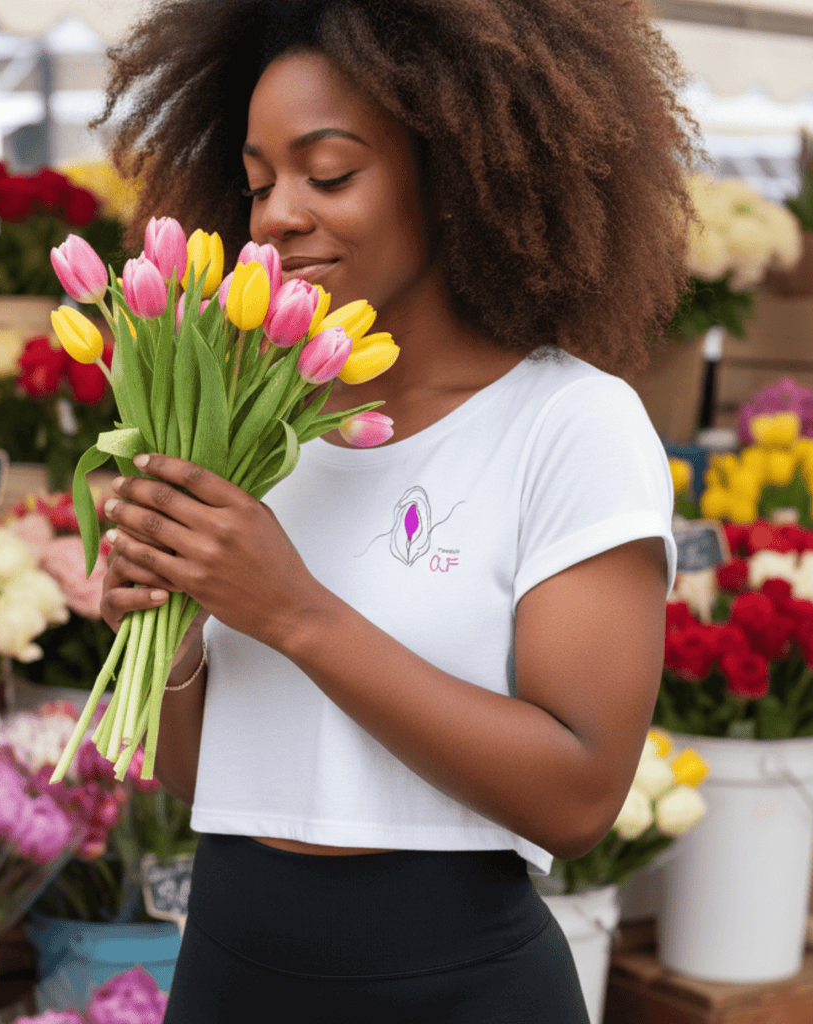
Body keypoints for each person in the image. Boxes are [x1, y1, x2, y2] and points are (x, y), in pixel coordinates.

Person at [95, 1, 697, 1020]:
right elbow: (202, 773)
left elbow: (580, 792)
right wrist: (174, 629)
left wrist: (294, 611)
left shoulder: (570, 424)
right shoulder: (242, 424)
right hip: (230, 970)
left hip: (460, 985)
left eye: (328, 173)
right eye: (257, 182)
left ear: (457, 171)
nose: (279, 212)